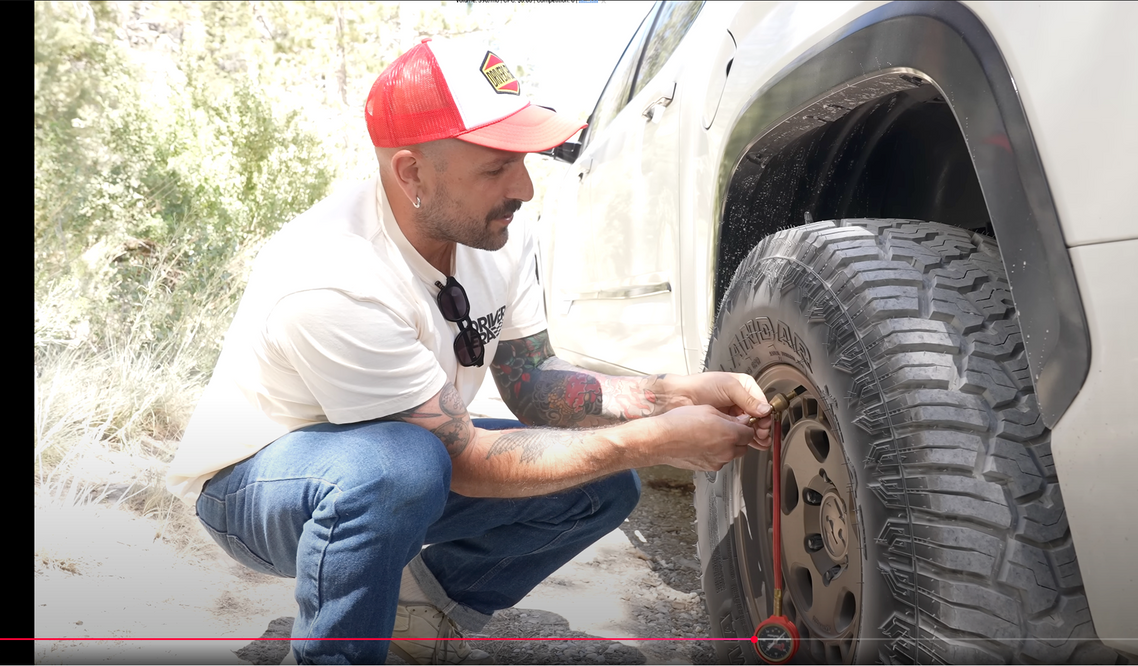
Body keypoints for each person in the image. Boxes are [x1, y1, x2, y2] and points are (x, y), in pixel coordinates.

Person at [165, 38, 773, 665]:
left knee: (602, 483)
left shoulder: (496, 231)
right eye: (494, 168)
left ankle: (419, 621)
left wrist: (667, 395)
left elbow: (532, 377)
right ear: (412, 173)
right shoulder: (332, 274)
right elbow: (466, 463)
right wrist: (658, 439)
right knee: (399, 470)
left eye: (523, 159)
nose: (525, 189)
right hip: (259, 485)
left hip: (404, 450)